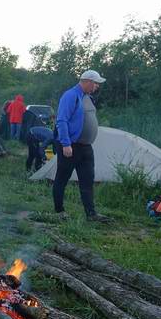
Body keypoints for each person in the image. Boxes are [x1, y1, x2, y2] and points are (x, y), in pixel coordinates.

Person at [53, 69, 109, 222]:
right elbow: (62, 120)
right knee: (62, 178)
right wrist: (65, 143)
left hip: (85, 147)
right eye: (96, 83)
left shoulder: (87, 97)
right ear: (88, 82)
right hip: (70, 146)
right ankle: (59, 211)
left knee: (87, 179)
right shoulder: (70, 95)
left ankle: (91, 214)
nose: (97, 86)